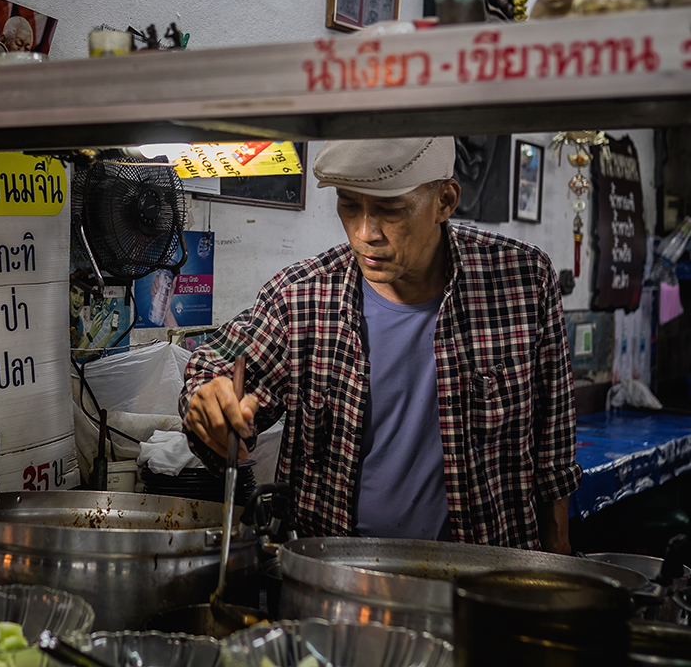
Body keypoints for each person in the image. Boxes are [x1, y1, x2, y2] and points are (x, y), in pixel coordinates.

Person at [179, 137, 580, 554]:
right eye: (349, 205)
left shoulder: (522, 282)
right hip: (333, 584)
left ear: (445, 200)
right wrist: (210, 401)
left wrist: (555, 573)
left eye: (390, 209)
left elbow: (553, 454)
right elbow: (213, 365)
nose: (366, 233)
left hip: (483, 583)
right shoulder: (301, 298)